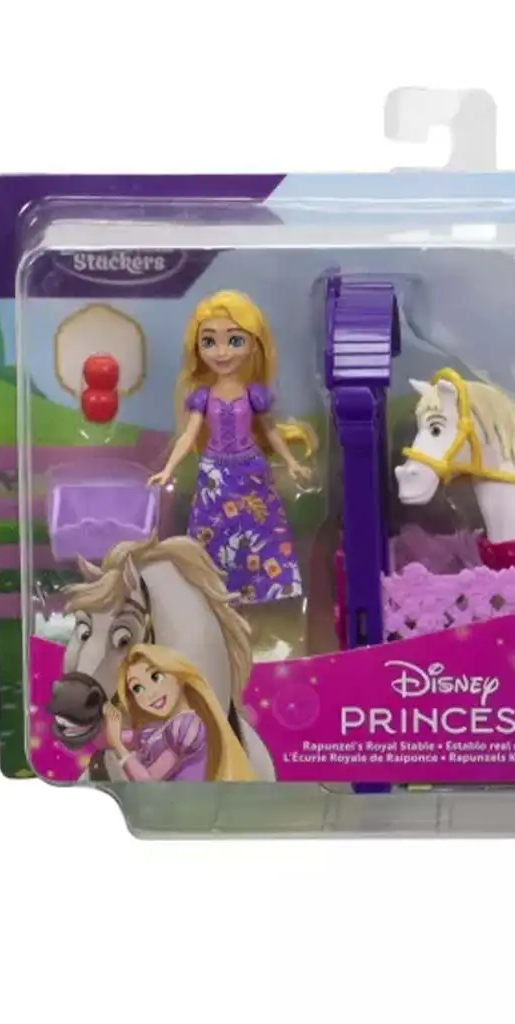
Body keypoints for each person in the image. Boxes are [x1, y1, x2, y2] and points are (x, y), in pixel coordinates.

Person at [149, 291, 315, 603]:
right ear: (198, 348)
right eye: (209, 342)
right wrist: (167, 469)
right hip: (214, 476)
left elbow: (269, 429)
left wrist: (291, 462)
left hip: (250, 471)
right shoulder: (203, 396)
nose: (222, 352)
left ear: (253, 343)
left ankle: (266, 591)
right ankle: (214, 591)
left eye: (234, 340)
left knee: (260, 531)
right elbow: (188, 435)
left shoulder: (254, 394)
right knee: (212, 533)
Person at [104, 644, 256, 782]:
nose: (150, 694)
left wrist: (119, 747)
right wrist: (110, 724)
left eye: (156, 677)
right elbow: (136, 737)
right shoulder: (162, 727)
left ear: (178, 675)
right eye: (137, 688)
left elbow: (148, 782)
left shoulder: (187, 727)